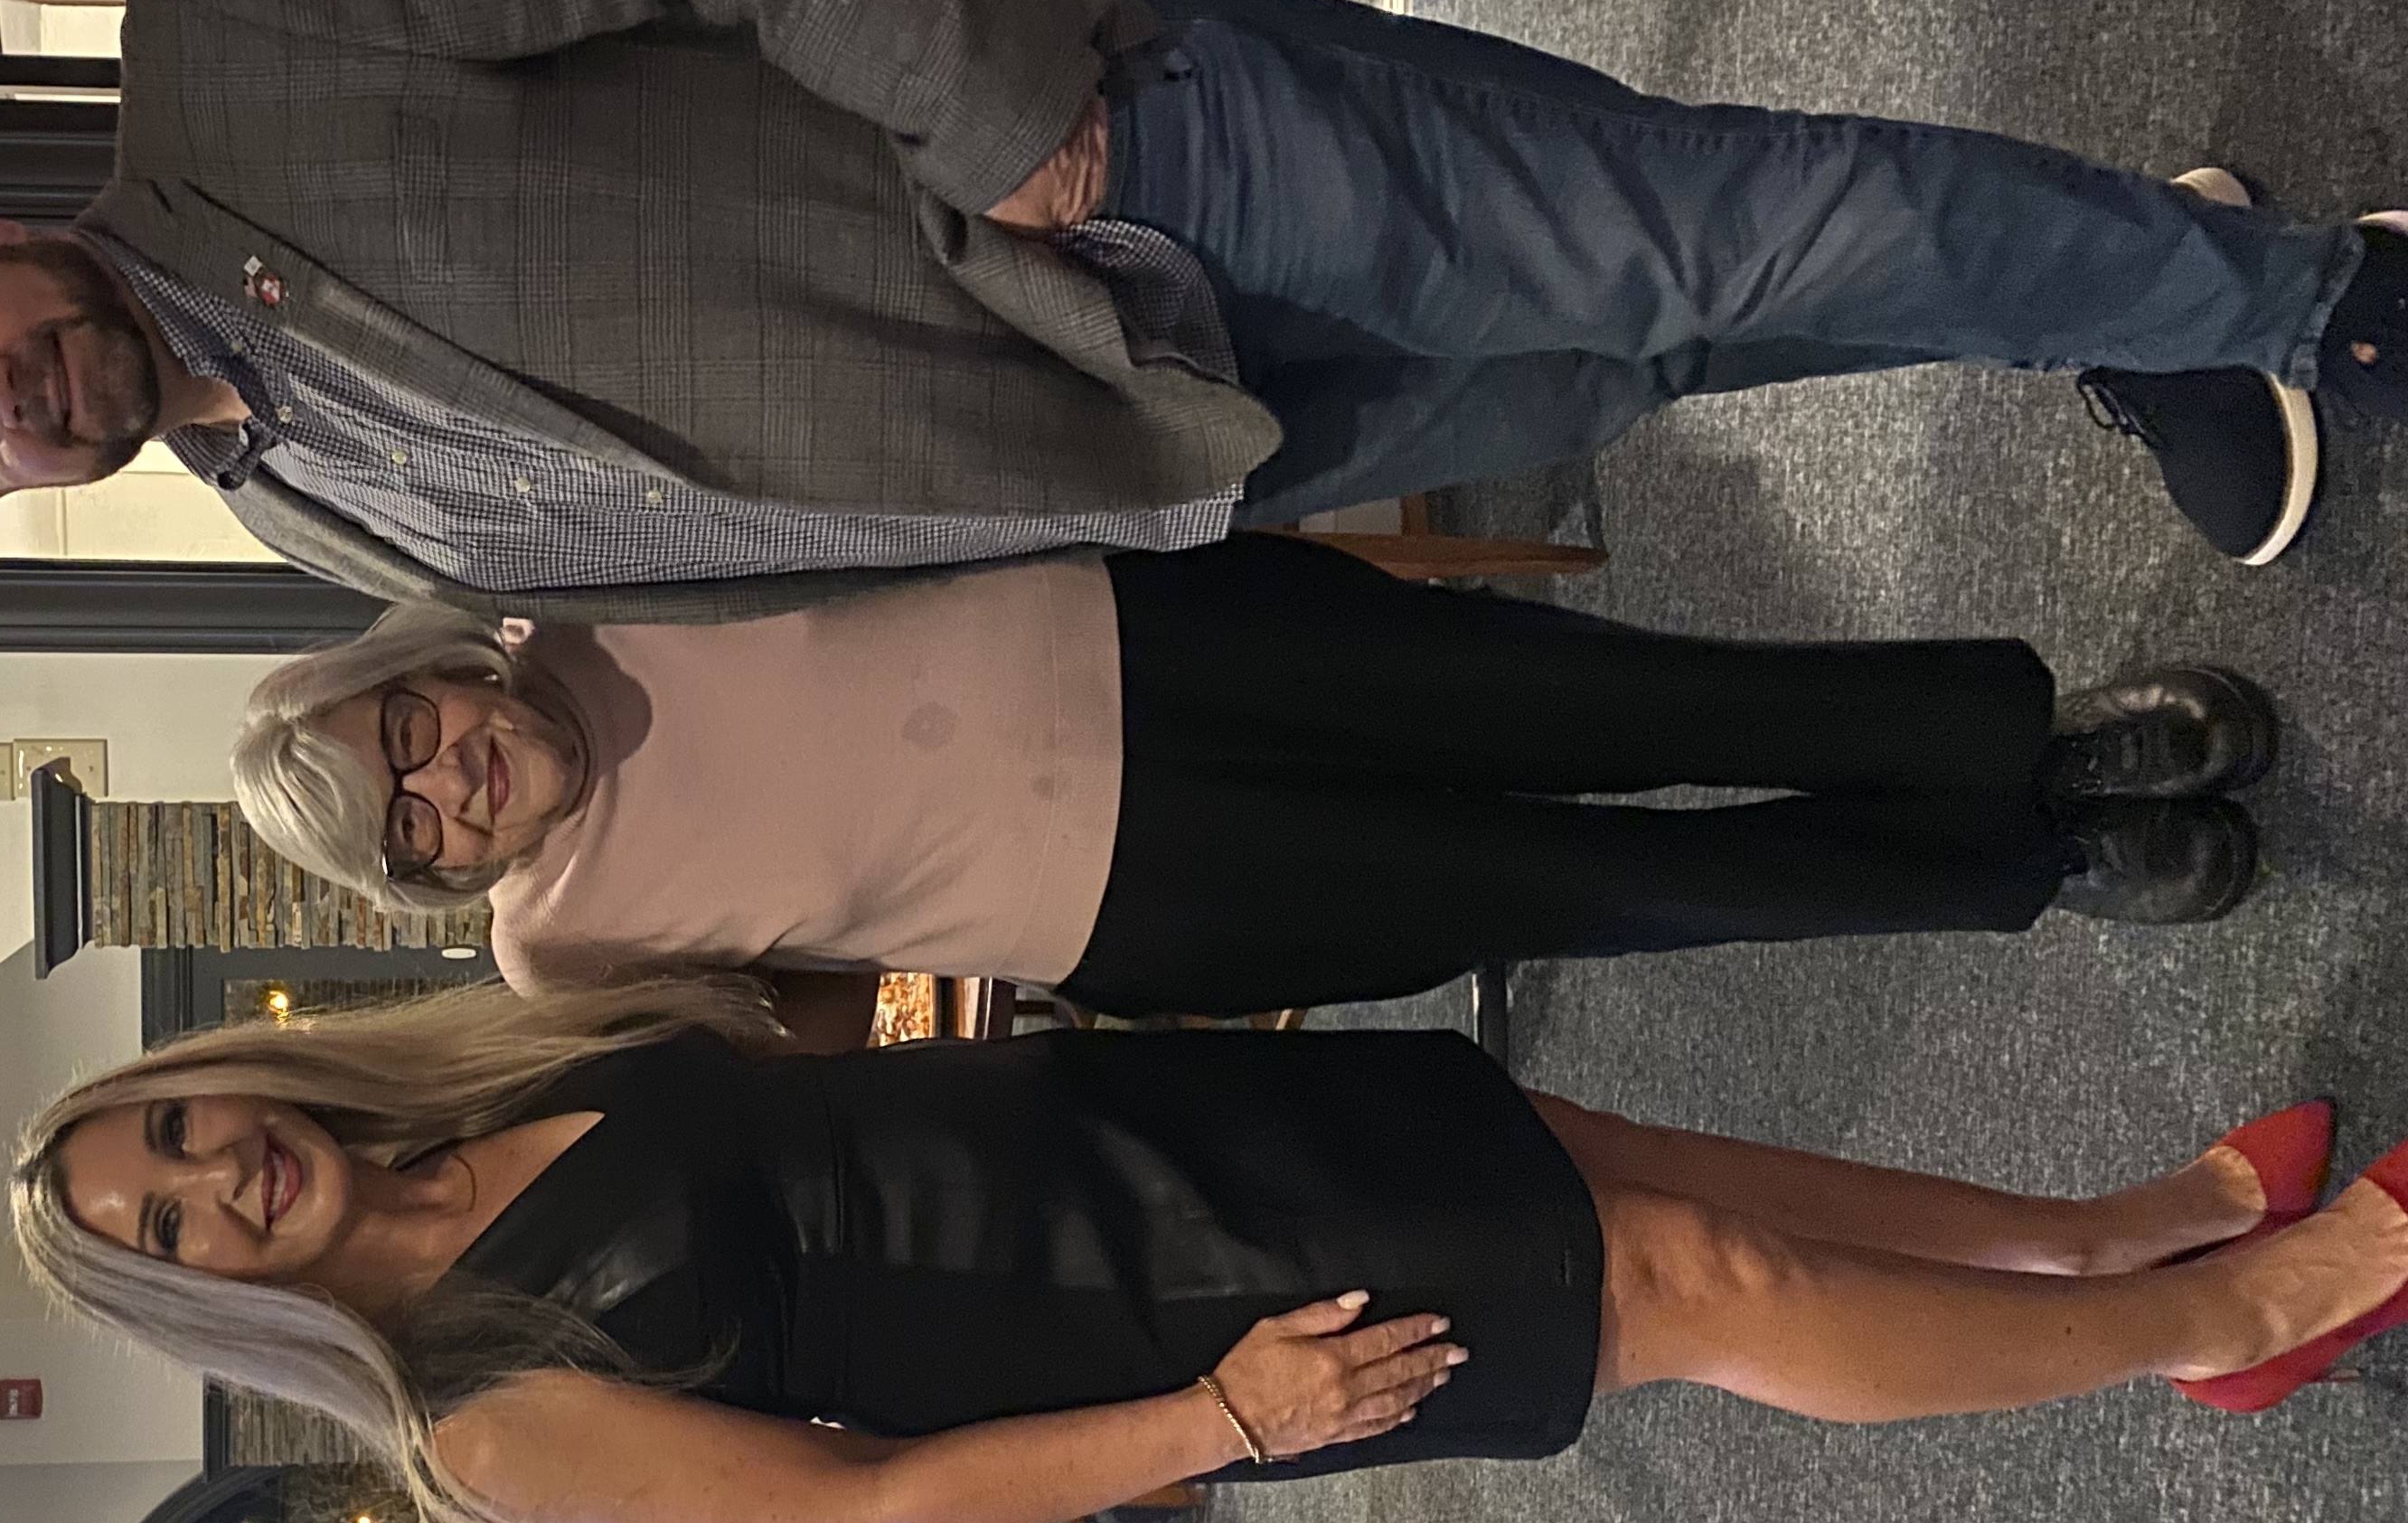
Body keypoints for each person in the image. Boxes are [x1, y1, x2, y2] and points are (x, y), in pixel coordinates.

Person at [0, 0, 2406, 598]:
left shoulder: (227, 25)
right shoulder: (305, 520)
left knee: (1684, 229)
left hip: (1107, 168)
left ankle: (2309, 300)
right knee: (1669, 344)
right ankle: (2140, 283)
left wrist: (990, 106)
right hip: (1148, 434)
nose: (10, 399)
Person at [7, 979, 2402, 1523]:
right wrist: (1214, 1425)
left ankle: (2107, 1234)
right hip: (1144, 1321)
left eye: (175, 1133)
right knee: (1683, 1281)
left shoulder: (487, 1056)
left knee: (1626, 1163)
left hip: (1142, 1127)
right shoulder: (480, 1429)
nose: (217, 1183)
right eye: (166, 1226)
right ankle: (2230, 1323)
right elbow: (864, 1504)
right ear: (201, 1299)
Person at [223, 540, 2284, 1013]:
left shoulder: (580, 586)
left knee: (1628, 706)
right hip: (1147, 905)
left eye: (407, 735)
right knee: (1617, 890)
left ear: (425, 669)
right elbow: (786, 1035)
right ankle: (2039, 869)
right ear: (429, 875)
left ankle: (2032, 741)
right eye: (414, 827)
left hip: (1163, 639)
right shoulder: (554, 945)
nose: (452, 781)